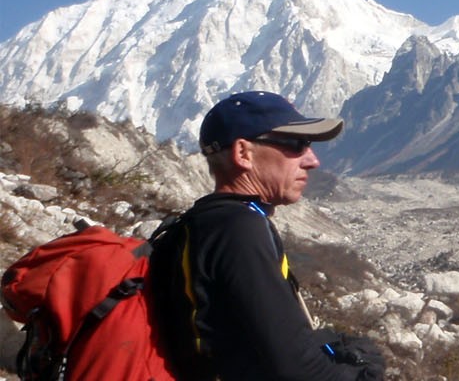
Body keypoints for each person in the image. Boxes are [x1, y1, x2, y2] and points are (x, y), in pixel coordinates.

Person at [148, 91, 384, 380]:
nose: (312, 160)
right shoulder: (237, 231)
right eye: (296, 144)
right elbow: (300, 373)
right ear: (244, 153)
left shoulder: (207, 221)